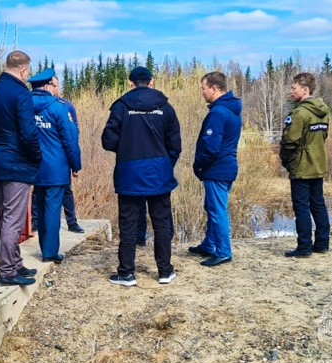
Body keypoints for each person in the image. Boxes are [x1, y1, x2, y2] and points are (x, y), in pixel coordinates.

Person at [101, 67, 181, 286]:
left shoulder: (121, 107)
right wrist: (165, 164)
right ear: (152, 82)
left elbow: (107, 140)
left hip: (129, 173)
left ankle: (126, 273)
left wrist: (127, 148)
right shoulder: (166, 108)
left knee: (128, 224)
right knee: (162, 223)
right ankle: (165, 271)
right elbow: (175, 145)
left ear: (130, 83)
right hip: (158, 174)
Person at [0, 51, 39, 286]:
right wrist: (36, 157)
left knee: (6, 216)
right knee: (13, 219)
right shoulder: (21, 94)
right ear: (24, 71)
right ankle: (7, 271)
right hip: (17, 163)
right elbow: (28, 133)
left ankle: (15, 263)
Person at [189, 72, 242, 266]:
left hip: (217, 168)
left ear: (214, 88)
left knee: (217, 209)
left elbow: (211, 146)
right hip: (225, 167)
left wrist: (199, 165)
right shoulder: (230, 110)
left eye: (203, 88)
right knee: (212, 207)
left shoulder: (218, 113)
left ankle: (223, 251)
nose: (202, 92)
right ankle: (209, 244)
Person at [29, 68, 81, 263]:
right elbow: (70, 139)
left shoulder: (23, 107)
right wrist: (76, 164)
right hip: (56, 168)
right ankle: (50, 252)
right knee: (52, 209)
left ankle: (45, 247)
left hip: (33, 166)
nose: (56, 89)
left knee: (40, 207)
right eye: (54, 85)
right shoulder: (59, 108)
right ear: (46, 86)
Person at [280, 72, 330, 257]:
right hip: (318, 164)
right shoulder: (323, 111)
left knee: (301, 206)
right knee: (318, 204)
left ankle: (304, 247)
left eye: (294, 88)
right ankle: (322, 243)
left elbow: (289, 141)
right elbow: (324, 136)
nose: (291, 91)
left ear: (305, 89)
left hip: (302, 167)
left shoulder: (300, 113)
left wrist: (286, 160)